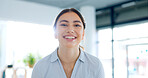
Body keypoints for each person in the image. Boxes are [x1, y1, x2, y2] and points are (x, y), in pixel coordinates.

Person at [32, 8, 104, 78]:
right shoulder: (40, 67)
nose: (70, 30)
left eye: (76, 25)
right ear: (55, 32)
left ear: (83, 34)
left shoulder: (95, 65)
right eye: (64, 24)